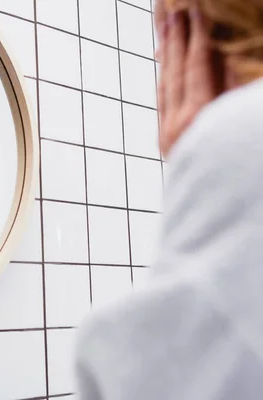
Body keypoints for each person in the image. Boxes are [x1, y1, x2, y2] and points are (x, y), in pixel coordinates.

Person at [73, 0, 263, 398]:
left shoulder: (240, 128)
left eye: (164, 34)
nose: (160, 55)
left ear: (190, 29)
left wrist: (204, 142)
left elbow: (168, 378)